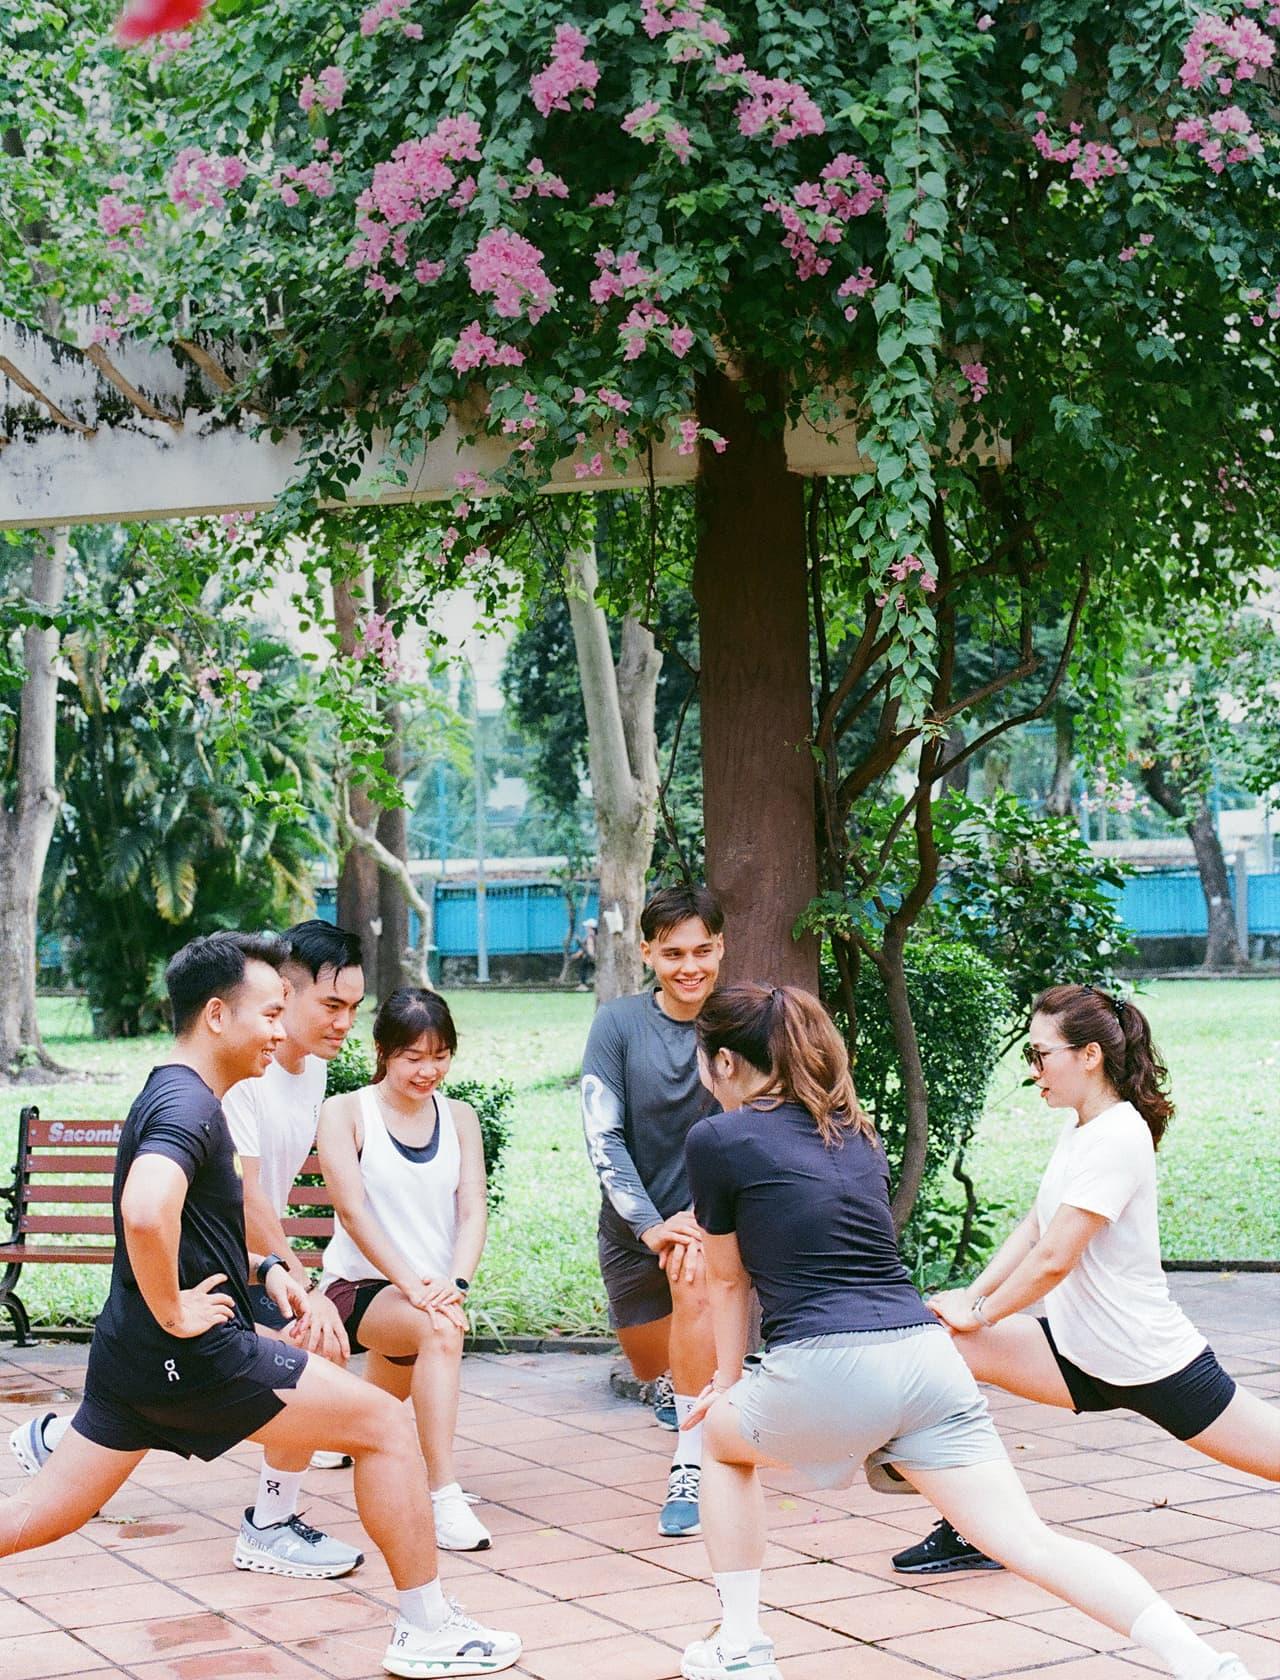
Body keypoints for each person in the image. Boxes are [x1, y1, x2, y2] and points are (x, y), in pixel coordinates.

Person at [676, 982, 1253, 1680]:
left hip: (832, 1367)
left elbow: (729, 1282)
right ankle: (1202, 1661)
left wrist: (726, 1386)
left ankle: (739, 1647)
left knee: (718, 1439)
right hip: (926, 1361)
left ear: (727, 1063)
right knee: (1031, 1543)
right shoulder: (854, 1131)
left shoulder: (716, 1138)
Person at [0, 932, 520, 1679]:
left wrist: (267, 1264)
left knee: (31, 1516)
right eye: (270, 1014)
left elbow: (189, 1223)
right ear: (217, 1015)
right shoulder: (189, 1104)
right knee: (381, 1425)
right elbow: (147, 1211)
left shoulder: (175, 1088)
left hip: (132, 1359)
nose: (282, 1031)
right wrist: (175, 1309)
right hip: (195, 1352)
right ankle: (427, 1629)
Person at [11, 918, 368, 1582]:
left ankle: (64, 1439)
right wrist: (229, 1290)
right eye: (327, 1005)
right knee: (360, 1406)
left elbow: (219, 1211)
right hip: (189, 1316)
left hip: (186, 1309)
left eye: (355, 1007)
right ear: (236, 1009)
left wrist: (265, 1268)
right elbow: (194, 1204)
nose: (340, 1022)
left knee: (42, 1511)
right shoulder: (208, 1091)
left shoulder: (269, 1076)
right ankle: (275, 1526)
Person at [891, 982, 1280, 1576]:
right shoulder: (1081, 1127)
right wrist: (970, 1299)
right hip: (1079, 1352)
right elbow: (1035, 1226)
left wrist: (987, 1313)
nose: (1033, 1069)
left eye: (1041, 1054)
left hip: (1147, 1360)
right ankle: (974, 1525)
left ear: (1089, 1055)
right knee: (946, 1347)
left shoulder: (1119, 1135)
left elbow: (1054, 1259)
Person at [317, 986, 492, 1552]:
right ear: (383, 1051)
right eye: (413, 1057)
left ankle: (339, 1429)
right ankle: (441, 1495)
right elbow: (352, 1210)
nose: (428, 1070)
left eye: (440, 1056)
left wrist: (455, 1283)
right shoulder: (345, 1112)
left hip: (429, 1293)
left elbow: (472, 1209)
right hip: (360, 1287)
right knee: (439, 1331)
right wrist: (413, 1286)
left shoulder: (460, 1117)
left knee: (378, 1409)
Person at [580, 882, 722, 1538]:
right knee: (645, 1355)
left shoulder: (741, 1019)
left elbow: (751, 1121)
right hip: (632, 1221)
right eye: (673, 953)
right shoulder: (617, 1023)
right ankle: (675, 1381)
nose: (690, 966)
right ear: (647, 953)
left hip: (704, 1216)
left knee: (692, 1287)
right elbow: (601, 1131)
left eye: (703, 950)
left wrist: (695, 1217)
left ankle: (690, 1465)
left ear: (722, 947)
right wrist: (647, 1222)